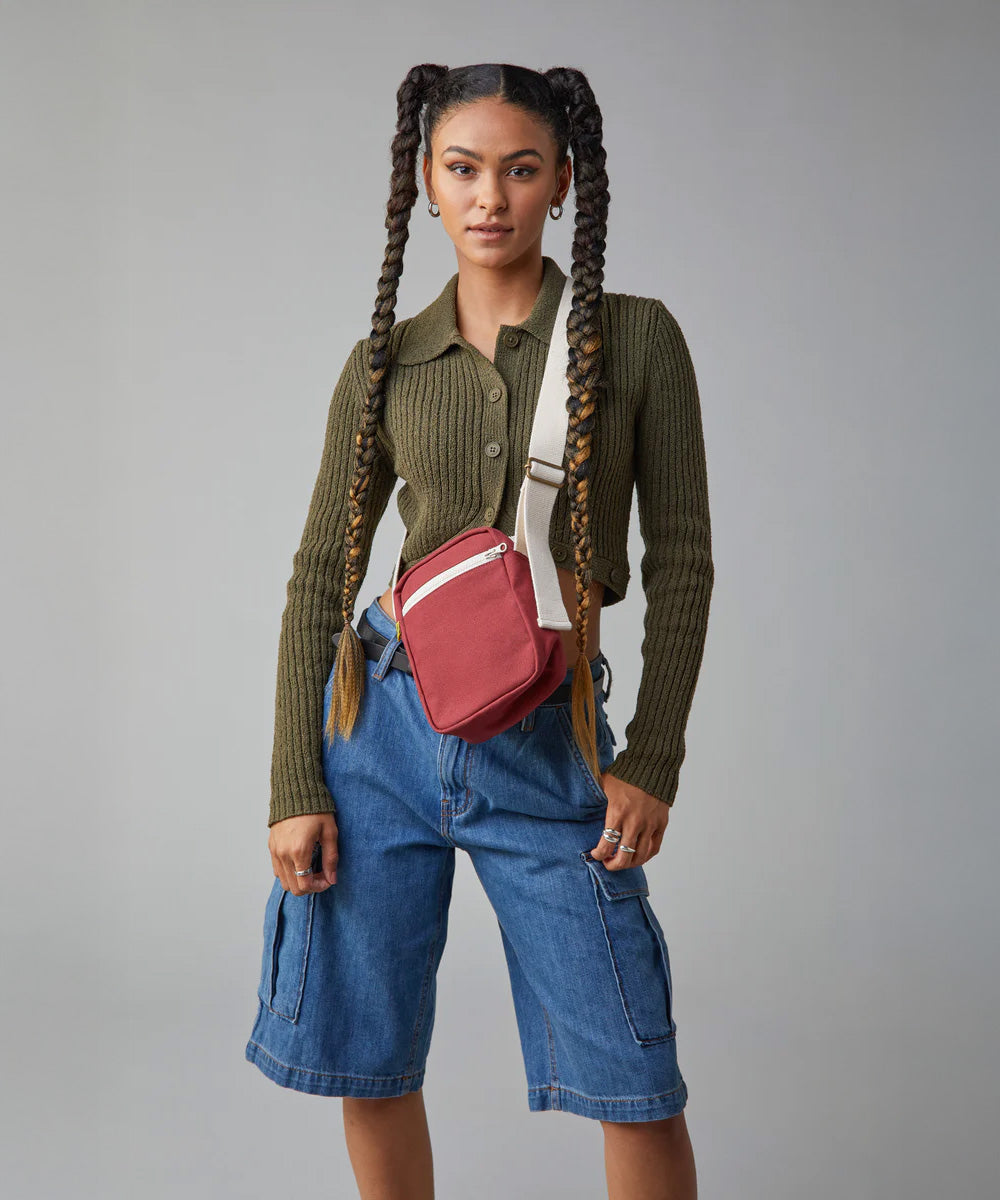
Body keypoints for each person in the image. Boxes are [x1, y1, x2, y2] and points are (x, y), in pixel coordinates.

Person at [245, 62, 713, 1200]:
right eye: (462, 170)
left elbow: (685, 565)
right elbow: (321, 576)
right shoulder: (382, 365)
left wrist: (650, 756)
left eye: (518, 169)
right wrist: (293, 780)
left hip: (548, 743)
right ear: (424, 182)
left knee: (631, 1073)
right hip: (380, 733)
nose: (488, 196)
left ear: (561, 183)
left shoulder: (636, 340)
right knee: (369, 1054)